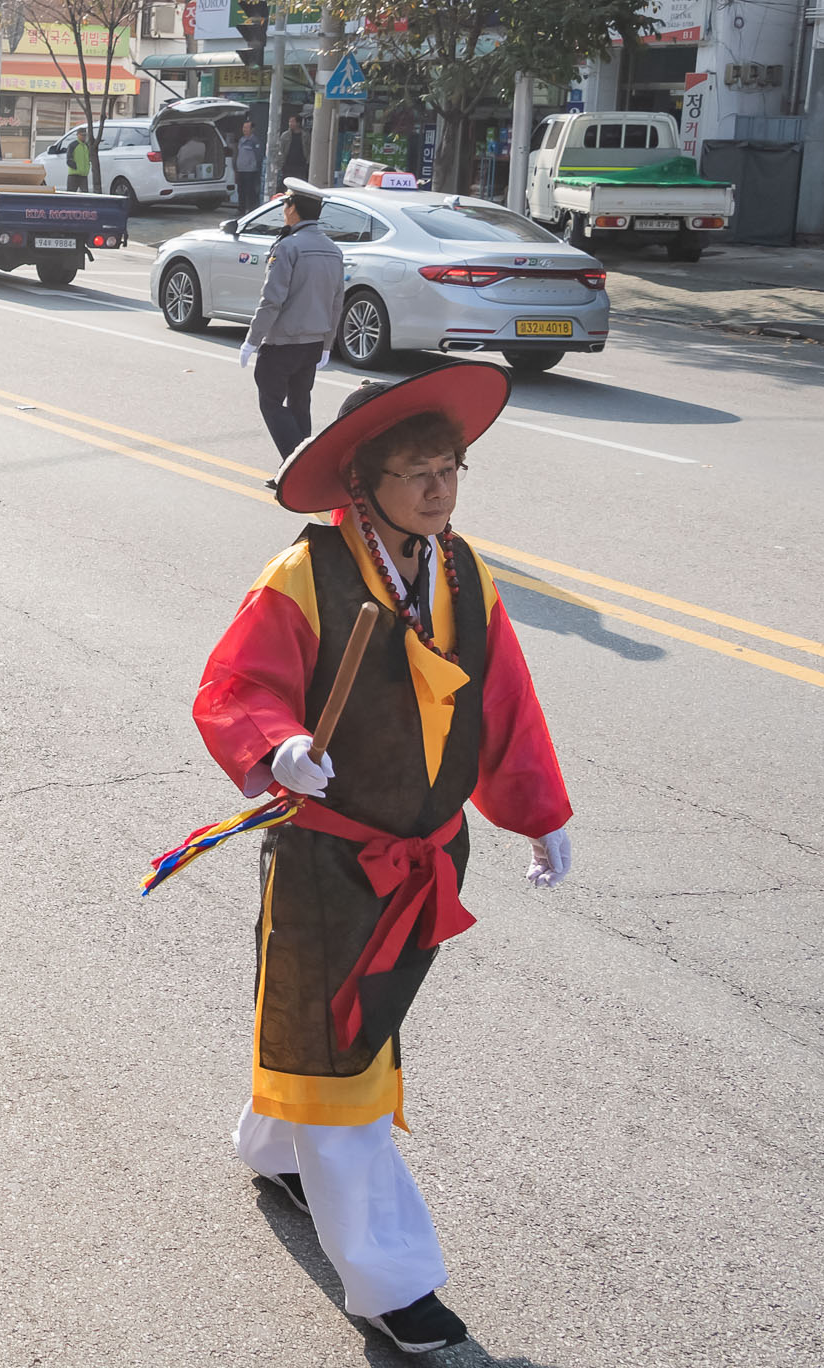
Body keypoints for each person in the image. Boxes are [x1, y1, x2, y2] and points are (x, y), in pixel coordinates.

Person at [188, 361, 573, 1357]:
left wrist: (539, 809)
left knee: (338, 1038)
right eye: (418, 472)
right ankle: (393, 1281)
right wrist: (274, 745)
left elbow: (503, 704)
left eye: (452, 467)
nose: (441, 489)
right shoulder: (304, 574)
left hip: (428, 857)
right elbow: (234, 684)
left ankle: (273, 1144)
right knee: (348, 1052)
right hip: (330, 863)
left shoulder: (464, 570)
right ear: (366, 484)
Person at [242, 185, 345, 459]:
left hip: (283, 343)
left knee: (271, 401)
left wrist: (252, 340)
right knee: (300, 403)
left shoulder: (288, 247)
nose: (284, 212)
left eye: (286, 206)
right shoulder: (333, 250)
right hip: (312, 344)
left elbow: (271, 300)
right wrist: (327, 344)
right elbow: (337, 302)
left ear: (292, 209)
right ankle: (305, 462)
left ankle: (296, 463)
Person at [235, 120, 264, 212]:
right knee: (241, 190)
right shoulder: (241, 140)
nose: (244, 129)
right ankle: (241, 209)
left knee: (250, 191)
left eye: (247, 128)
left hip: (250, 171)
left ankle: (252, 210)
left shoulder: (255, 141)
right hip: (241, 170)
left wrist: (256, 167)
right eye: (244, 127)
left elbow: (259, 155)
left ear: (252, 129)